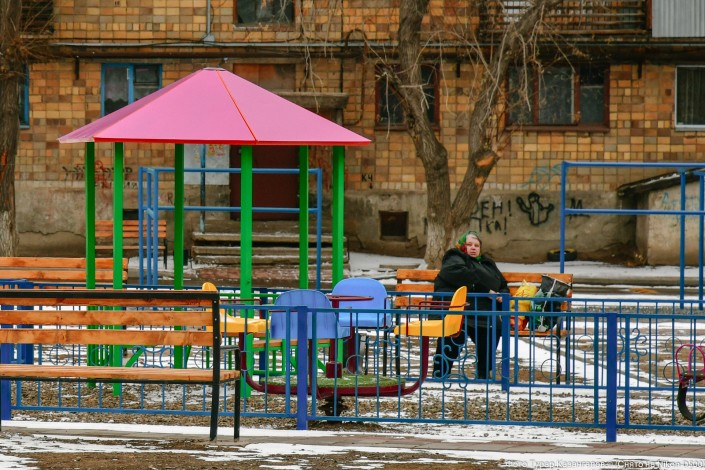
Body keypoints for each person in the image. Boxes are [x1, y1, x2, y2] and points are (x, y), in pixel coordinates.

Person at [431, 230, 509, 380]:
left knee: (491, 331)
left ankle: (483, 375)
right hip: (459, 311)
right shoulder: (455, 257)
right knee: (453, 337)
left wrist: (502, 295)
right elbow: (459, 274)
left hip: (484, 313)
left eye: (476, 245)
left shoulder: (487, 263)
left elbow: (502, 283)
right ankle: (440, 375)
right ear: (462, 246)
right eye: (469, 244)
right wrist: (485, 290)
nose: (473, 248)